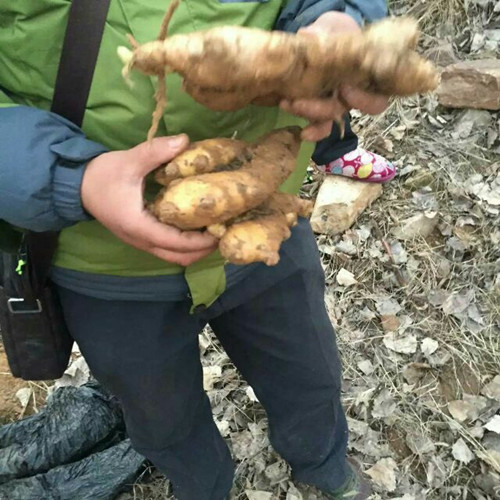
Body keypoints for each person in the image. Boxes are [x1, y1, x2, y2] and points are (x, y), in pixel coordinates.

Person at [0, 1, 389, 499]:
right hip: (103, 266)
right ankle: (203, 487)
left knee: (308, 373)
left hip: (265, 226)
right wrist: (70, 179)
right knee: (161, 419)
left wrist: (338, 22)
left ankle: (324, 462)